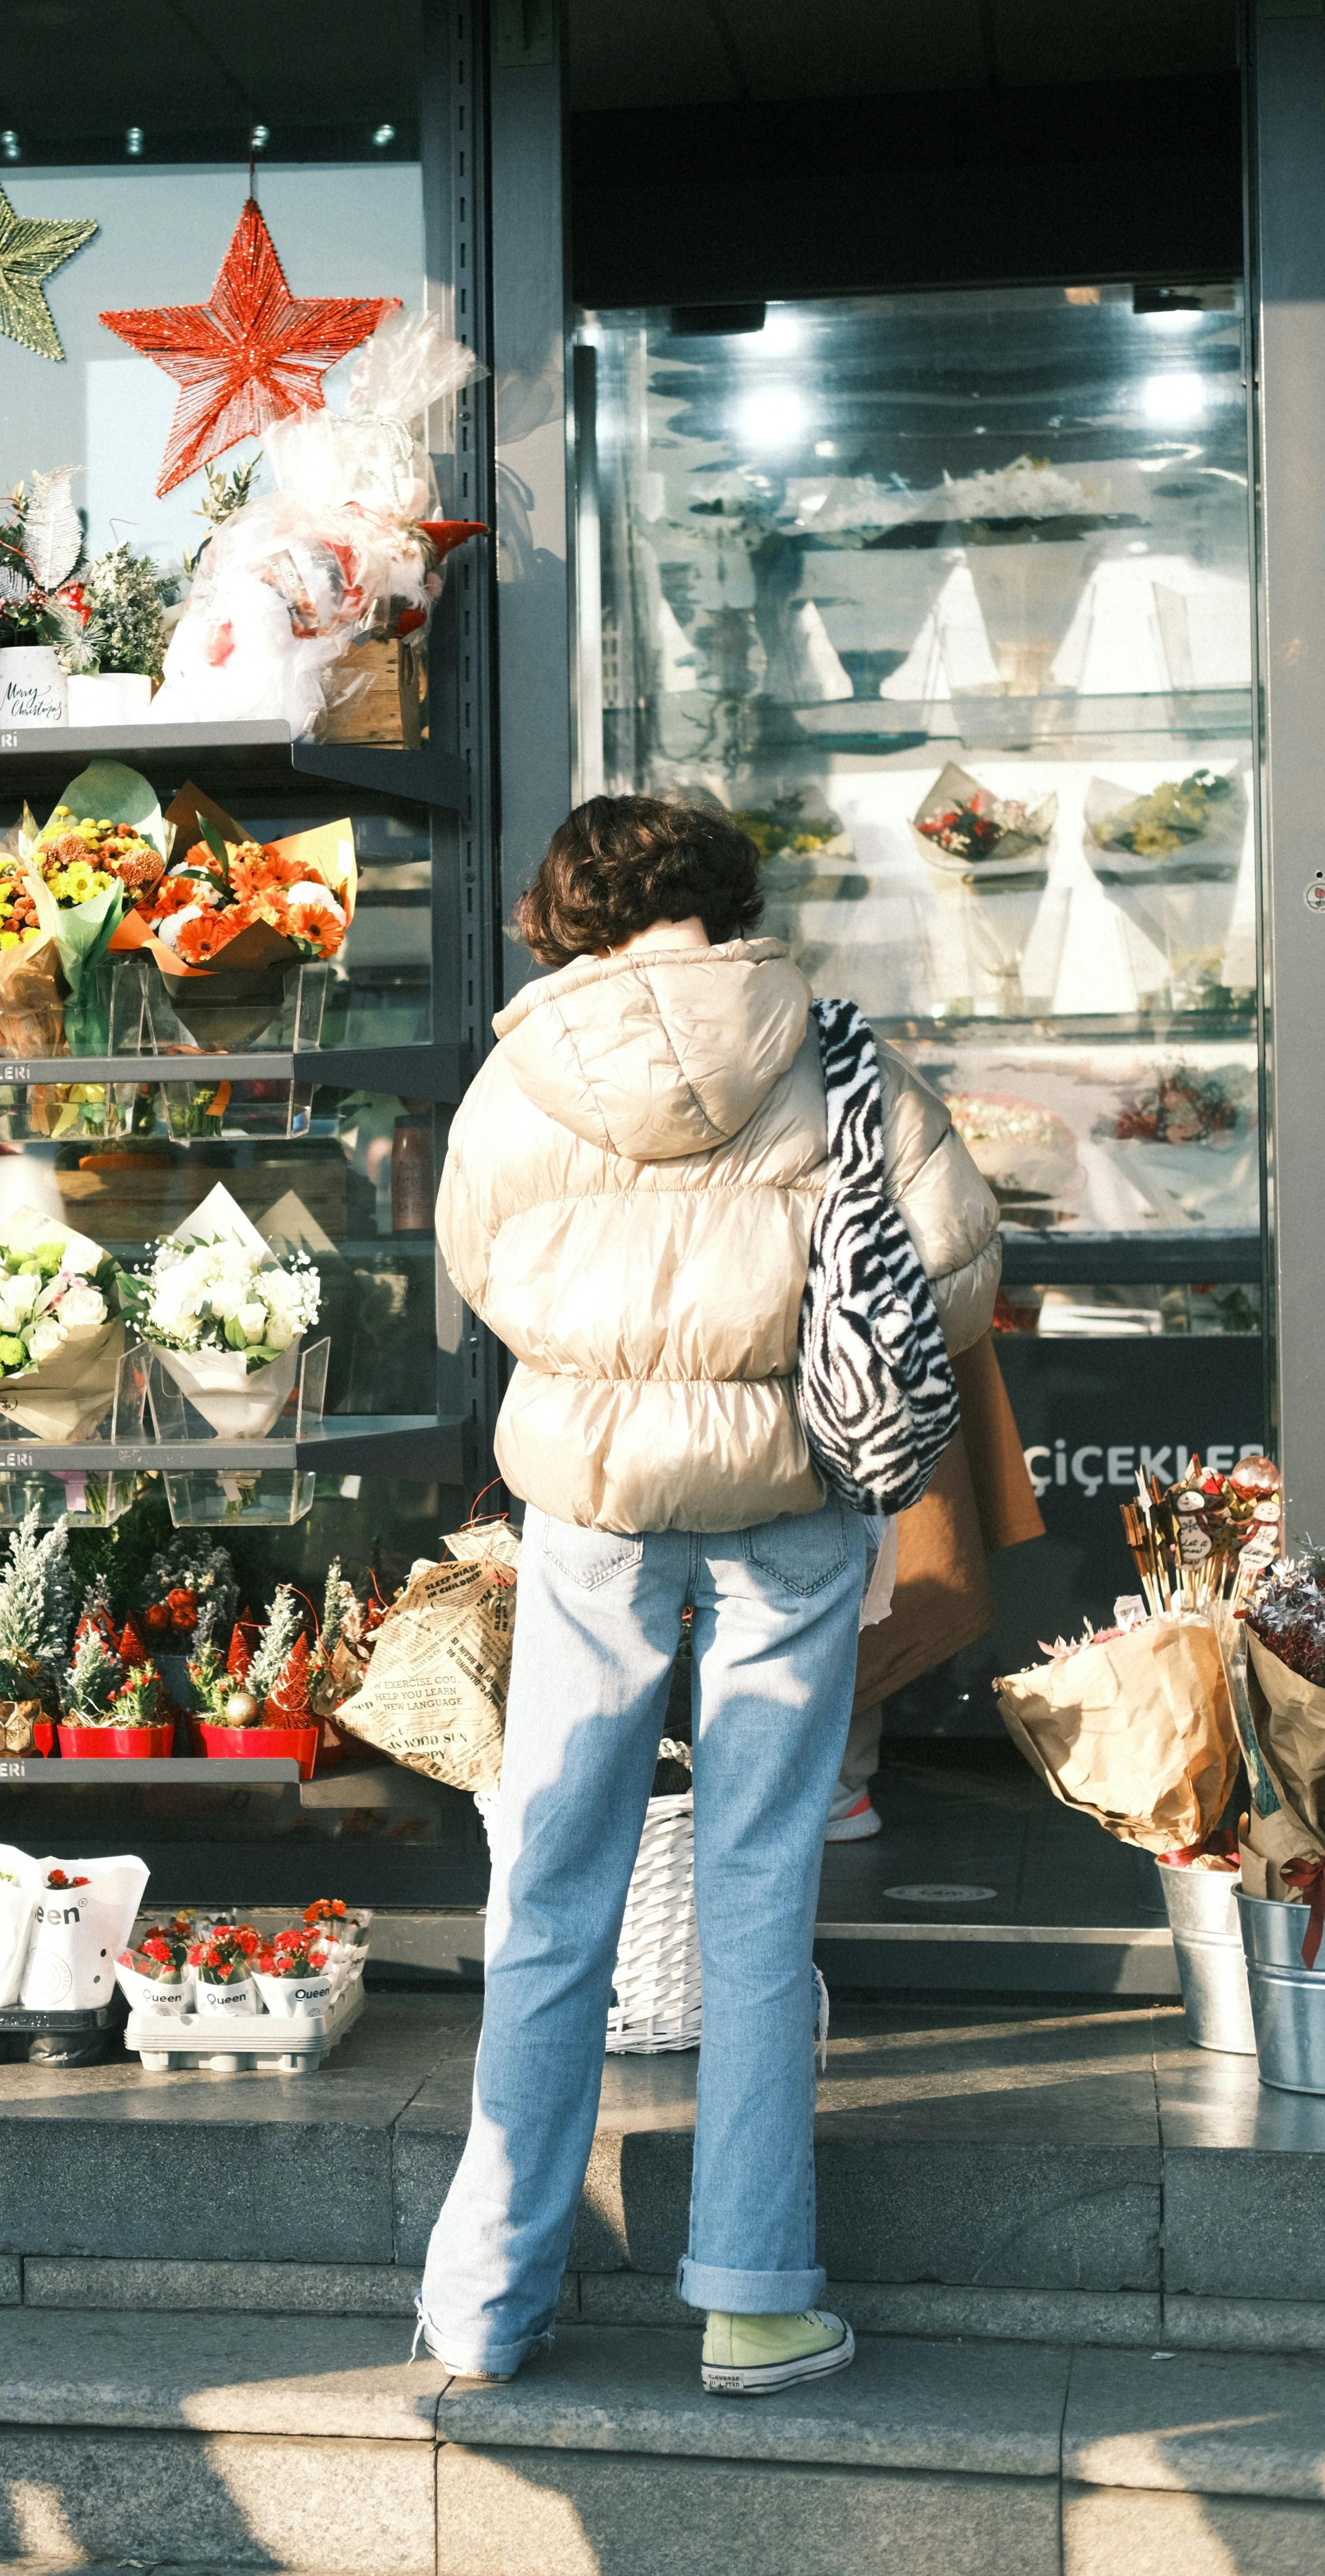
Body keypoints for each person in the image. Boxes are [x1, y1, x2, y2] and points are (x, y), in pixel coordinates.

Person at [416, 794, 1000, 2394]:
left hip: (594, 1508)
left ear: (569, 915)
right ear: (726, 896)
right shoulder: (834, 1050)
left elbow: (478, 1268)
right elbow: (956, 1273)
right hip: (790, 1508)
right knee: (756, 1890)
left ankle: (484, 2303)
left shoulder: (521, 1067)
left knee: (549, 1891)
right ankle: (752, 2299)